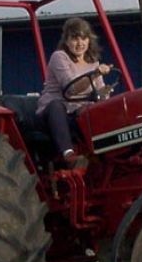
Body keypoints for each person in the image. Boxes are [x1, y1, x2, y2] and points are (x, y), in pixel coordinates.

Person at [36, 18, 112, 170]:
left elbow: (100, 91)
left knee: (98, 109)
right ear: (66, 40)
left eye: (83, 38)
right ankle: (68, 155)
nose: (80, 43)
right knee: (56, 106)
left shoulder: (93, 62)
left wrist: (105, 93)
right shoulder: (59, 57)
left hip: (78, 111)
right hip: (56, 114)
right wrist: (95, 74)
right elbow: (71, 88)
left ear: (89, 40)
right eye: (75, 38)